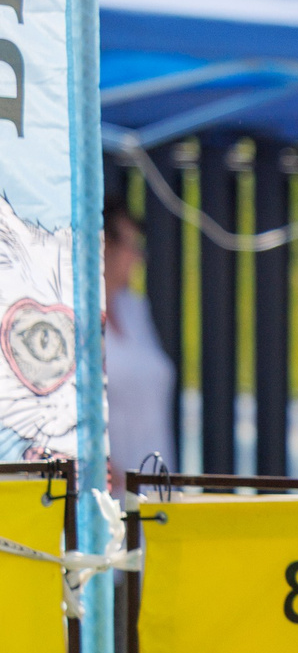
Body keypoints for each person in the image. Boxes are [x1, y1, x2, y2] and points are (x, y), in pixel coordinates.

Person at [101, 206, 174, 485]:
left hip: (155, 486)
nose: (138, 257)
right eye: (132, 246)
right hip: (107, 497)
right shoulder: (72, 316)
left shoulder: (135, 310)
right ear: (105, 246)